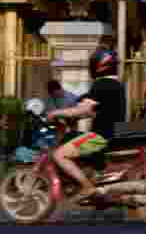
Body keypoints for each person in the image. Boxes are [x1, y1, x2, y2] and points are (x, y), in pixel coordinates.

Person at [45, 49, 127, 203]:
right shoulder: (115, 84)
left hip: (100, 138)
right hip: (110, 135)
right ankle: (87, 178)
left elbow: (83, 109)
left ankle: (87, 187)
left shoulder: (103, 84)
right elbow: (91, 112)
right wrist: (72, 116)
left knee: (59, 155)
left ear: (98, 66)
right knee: (72, 139)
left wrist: (55, 113)